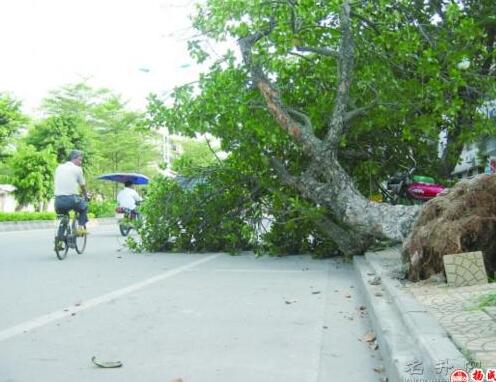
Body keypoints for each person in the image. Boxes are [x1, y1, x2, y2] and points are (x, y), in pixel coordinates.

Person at [54, 150, 89, 235]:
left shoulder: (59, 167)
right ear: (74, 159)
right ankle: (80, 228)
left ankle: (60, 240)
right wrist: (86, 196)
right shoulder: (78, 169)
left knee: (64, 218)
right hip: (71, 199)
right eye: (80, 160)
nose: (80, 162)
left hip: (58, 201)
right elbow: (82, 185)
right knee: (84, 207)